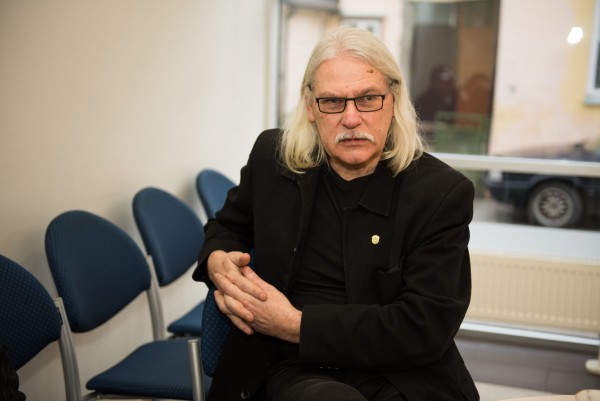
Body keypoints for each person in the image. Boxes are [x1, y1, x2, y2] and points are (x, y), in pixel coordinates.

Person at [193, 25, 479, 401]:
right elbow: (226, 227)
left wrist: (294, 324)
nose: (351, 119)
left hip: (399, 371)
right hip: (296, 367)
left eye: (368, 99)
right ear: (310, 106)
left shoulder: (440, 193)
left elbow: (423, 326)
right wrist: (217, 261)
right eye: (332, 101)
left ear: (393, 100)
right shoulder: (274, 160)